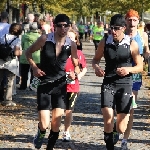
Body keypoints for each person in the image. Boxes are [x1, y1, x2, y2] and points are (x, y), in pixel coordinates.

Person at [25, 14, 80, 150]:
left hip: (61, 85)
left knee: (56, 123)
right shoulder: (45, 39)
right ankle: (41, 132)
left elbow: (76, 65)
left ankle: (49, 147)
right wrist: (35, 67)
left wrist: (75, 73)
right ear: (54, 26)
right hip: (44, 84)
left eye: (65, 26)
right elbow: (28, 52)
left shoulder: (71, 44)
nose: (63, 28)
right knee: (44, 123)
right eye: (60, 25)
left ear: (69, 27)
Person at [92, 14, 143, 150]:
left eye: (116, 28)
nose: (113, 31)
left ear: (124, 28)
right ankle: (110, 145)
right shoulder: (105, 41)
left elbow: (140, 67)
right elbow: (95, 59)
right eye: (111, 28)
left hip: (125, 84)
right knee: (108, 116)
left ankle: (115, 130)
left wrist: (128, 69)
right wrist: (96, 67)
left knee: (121, 128)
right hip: (108, 82)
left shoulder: (131, 43)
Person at [121, 9, 150, 150]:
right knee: (119, 107)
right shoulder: (120, 34)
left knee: (130, 107)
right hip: (120, 74)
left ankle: (125, 140)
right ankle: (117, 128)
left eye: (134, 20)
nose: (131, 22)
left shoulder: (142, 35)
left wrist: (145, 56)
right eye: (129, 19)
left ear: (138, 21)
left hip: (135, 75)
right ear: (125, 21)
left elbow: (146, 50)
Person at [62, 29, 87, 141]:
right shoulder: (58, 51)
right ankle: (54, 130)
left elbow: (84, 68)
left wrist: (77, 76)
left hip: (72, 87)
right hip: (59, 86)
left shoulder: (79, 54)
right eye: (68, 37)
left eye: (72, 38)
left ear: (76, 41)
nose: (69, 39)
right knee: (56, 110)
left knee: (68, 110)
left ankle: (66, 131)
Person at [0, 23, 22, 106]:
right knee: (10, 82)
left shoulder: (3, 36)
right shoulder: (17, 40)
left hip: (1, 60)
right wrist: (21, 52)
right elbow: (16, 52)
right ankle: (7, 100)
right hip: (11, 62)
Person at [19, 22, 41, 90]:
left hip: (25, 56)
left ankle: (23, 86)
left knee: (24, 73)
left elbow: (21, 46)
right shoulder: (39, 36)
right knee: (34, 73)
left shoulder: (24, 36)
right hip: (36, 57)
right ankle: (32, 86)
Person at [0, 11, 11, 101]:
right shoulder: (10, 27)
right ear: (7, 18)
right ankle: (7, 98)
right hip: (8, 53)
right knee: (8, 77)